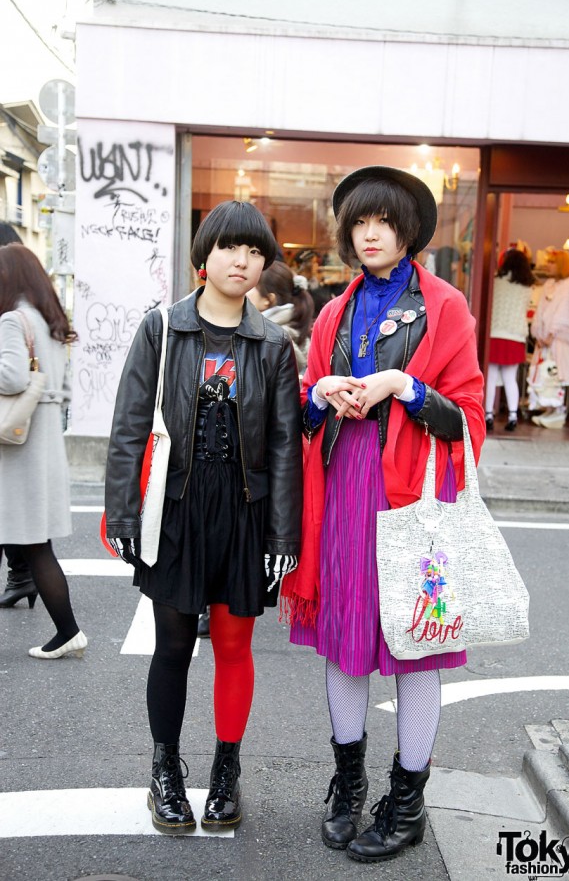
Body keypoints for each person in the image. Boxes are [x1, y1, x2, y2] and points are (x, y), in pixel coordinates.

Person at [281, 166, 484, 863]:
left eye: (385, 222)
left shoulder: (445, 306)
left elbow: (468, 419)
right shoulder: (333, 310)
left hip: (414, 498)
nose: (370, 233)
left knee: (414, 642)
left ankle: (407, 800)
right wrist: (322, 392)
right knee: (344, 639)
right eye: (360, 222)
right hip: (341, 490)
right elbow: (305, 405)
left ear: (408, 233)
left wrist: (404, 385)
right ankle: (347, 782)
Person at [104, 200, 303, 835]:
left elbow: (281, 447)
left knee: (235, 645)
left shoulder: (273, 345)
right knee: (171, 646)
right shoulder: (162, 328)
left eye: (254, 252)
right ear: (203, 256)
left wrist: (282, 534)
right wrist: (123, 515)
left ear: (264, 265)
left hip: (243, 512)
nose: (241, 261)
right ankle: (164, 769)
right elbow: (130, 425)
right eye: (228, 248)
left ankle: (225, 770)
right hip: (177, 505)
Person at [0, 243, 86, 657]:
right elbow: (64, 389)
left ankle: (69, 632)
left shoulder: (12, 321)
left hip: (17, 450)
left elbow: (13, 377)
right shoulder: (50, 323)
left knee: (34, 545)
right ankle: (67, 632)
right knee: (36, 543)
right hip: (43, 444)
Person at [0, 222, 36, 607]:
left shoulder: (14, 311)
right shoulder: (39, 303)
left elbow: (12, 376)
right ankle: (22, 575)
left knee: (14, 513)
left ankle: (23, 574)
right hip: (22, 425)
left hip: (13, 424)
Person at [485, 248, 535, 432]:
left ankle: (488, 415)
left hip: (495, 333)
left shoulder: (496, 282)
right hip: (515, 335)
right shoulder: (527, 288)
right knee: (510, 378)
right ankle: (513, 416)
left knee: (489, 378)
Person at [529, 249, 569, 429]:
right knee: (543, 375)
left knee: (555, 374)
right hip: (544, 340)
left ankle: (558, 411)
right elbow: (540, 310)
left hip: (558, 340)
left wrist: (552, 333)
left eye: (552, 262)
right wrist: (539, 333)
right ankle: (548, 408)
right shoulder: (549, 283)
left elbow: (564, 313)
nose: (548, 265)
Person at [246, 260, 314, 374]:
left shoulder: (272, 336)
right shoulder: (284, 328)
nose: (244, 291)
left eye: (251, 286)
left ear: (268, 299)